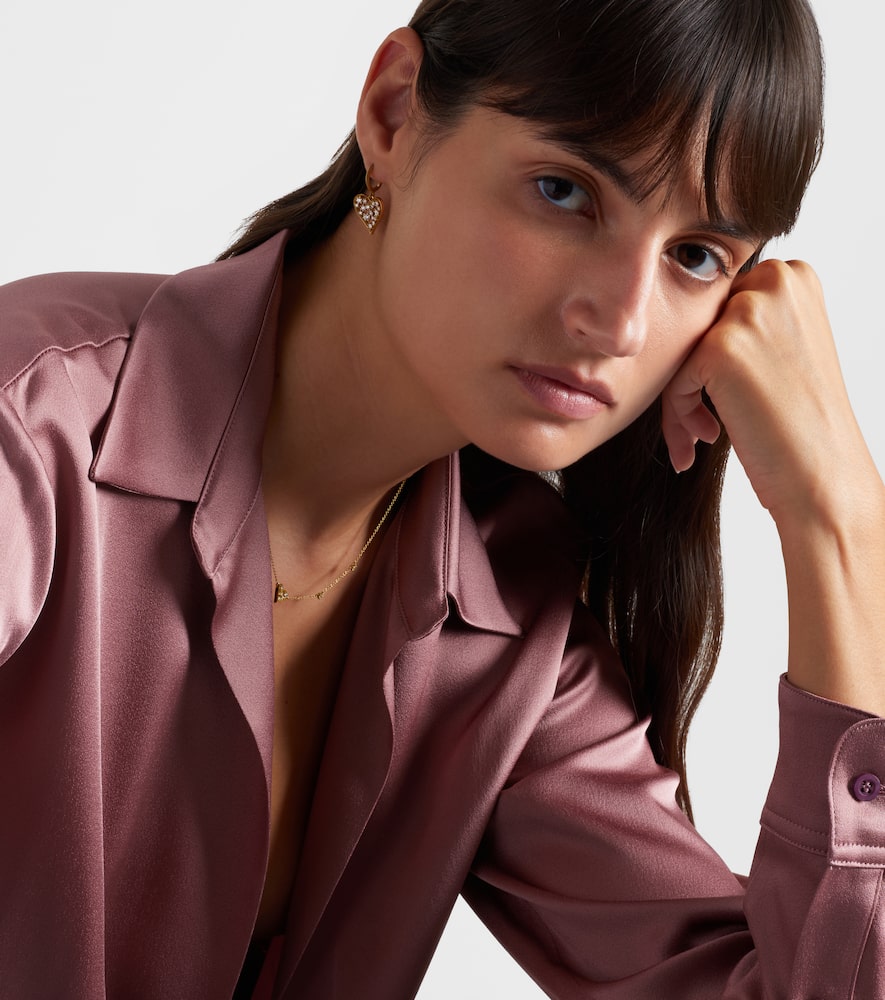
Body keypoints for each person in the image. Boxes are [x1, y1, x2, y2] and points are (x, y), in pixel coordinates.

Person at [1, 0, 883, 996]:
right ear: (393, 112)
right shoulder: (32, 435)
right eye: (565, 191)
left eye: (695, 257)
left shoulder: (511, 630)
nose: (621, 324)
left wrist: (841, 523)